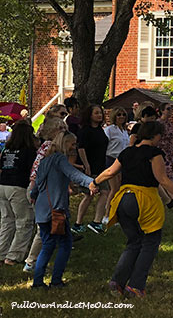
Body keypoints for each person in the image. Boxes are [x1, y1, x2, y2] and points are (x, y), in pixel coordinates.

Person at [95, 120, 173, 297]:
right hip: (144, 199)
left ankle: (117, 282)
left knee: (133, 241)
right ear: (156, 136)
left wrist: (94, 182)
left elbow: (110, 172)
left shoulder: (127, 152)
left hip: (122, 198)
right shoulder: (155, 153)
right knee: (150, 241)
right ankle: (136, 286)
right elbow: (162, 179)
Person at [29, 132, 97, 288]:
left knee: (47, 245)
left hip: (42, 209)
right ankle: (56, 280)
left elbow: (37, 183)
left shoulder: (45, 160)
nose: (74, 148)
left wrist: (33, 195)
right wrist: (91, 183)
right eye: (72, 144)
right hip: (56, 211)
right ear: (64, 143)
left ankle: (38, 282)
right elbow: (74, 174)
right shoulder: (60, 159)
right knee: (65, 244)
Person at [23, 117, 67, 273]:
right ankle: (31, 262)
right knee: (43, 230)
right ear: (53, 131)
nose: (64, 132)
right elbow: (40, 172)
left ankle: (36, 260)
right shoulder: (50, 147)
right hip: (39, 189)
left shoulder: (46, 146)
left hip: (39, 188)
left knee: (44, 229)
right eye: (61, 129)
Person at [0, 120, 38, 265]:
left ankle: (2, 252)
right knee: (24, 221)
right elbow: (32, 170)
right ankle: (14, 255)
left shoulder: (6, 150)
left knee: (6, 221)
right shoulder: (29, 151)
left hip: (3, 185)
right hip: (18, 187)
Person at [73, 104, 110, 234]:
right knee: (89, 194)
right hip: (90, 166)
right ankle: (78, 223)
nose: (99, 115)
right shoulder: (85, 131)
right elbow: (81, 148)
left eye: (100, 113)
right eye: (96, 113)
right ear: (90, 115)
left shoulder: (100, 130)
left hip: (101, 166)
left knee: (105, 192)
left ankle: (97, 222)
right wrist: (86, 165)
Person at [103, 108, 131, 221]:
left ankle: (116, 213)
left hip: (122, 161)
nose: (121, 117)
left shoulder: (124, 131)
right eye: (118, 114)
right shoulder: (109, 130)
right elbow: (104, 145)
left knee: (120, 188)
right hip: (111, 159)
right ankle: (106, 214)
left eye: (123, 114)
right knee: (113, 188)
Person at [156, 103, 173, 188]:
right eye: (168, 109)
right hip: (161, 150)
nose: (170, 111)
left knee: (170, 171)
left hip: (169, 151)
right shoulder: (158, 123)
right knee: (164, 172)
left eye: (171, 109)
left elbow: (171, 139)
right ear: (162, 111)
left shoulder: (169, 123)